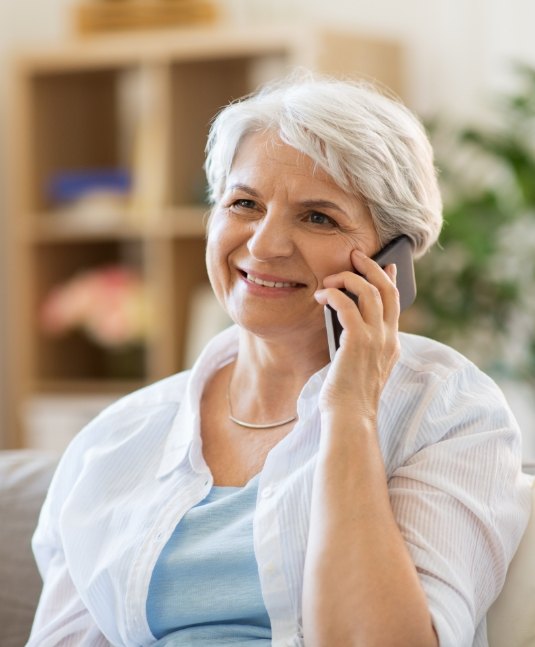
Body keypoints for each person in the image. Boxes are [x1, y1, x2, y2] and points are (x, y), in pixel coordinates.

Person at [28, 72, 531, 647]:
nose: (265, 245)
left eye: (318, 217)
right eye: (244, 203)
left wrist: (349, 413)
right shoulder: (115, 440)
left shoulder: (446, 412)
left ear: (392, 259)